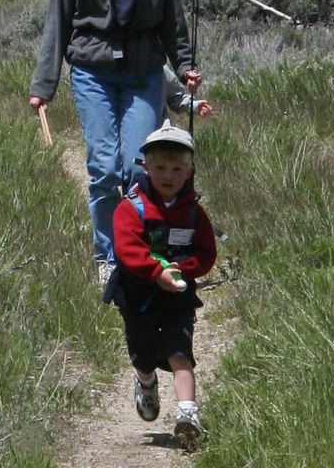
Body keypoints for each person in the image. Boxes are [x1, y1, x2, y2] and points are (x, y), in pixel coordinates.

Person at [28, 0, 201, 282]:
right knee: (105, 169)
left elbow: (173, 17)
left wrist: (184, 64)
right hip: (93, 71)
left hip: (143, 69)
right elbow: (57, 23)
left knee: (140, 165)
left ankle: (146, 251)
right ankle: (108, 257)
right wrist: (43, 86)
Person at [104, 119, 217, 446]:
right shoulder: (131, 208)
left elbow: (206, 252)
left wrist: (184, 270)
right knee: (142, 350)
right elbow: (127, 250)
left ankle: (187, 412)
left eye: (177, 169)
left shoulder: (194, 213)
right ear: (147, 167)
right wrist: (157, 273)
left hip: (177, 294)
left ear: (189, 171)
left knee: (179, 349)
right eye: (161, 167)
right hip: (137, 291)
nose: (168, 176)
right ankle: (145, 380)